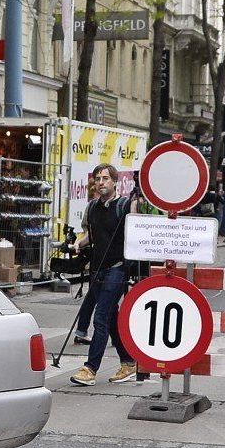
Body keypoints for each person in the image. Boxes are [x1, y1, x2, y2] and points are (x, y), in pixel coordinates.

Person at [69, 163, 140, 387]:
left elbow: (136, 230)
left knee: (100, 317)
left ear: (114, 182)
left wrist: (136, 206)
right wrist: (78, 243)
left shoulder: (124, 206)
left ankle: (90, 369)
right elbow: (92, 235)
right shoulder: (92, 208)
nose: (101, 182)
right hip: (97, 269)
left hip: (117, 268)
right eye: (98, 179)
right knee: (110, 318)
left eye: (106, 179)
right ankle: (128, 362)